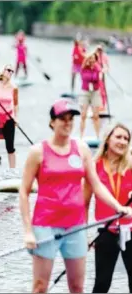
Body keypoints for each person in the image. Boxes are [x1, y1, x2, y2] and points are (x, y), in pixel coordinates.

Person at [19, 99, 132, 293]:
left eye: (71, 119)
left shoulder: (82, 149)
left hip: (76, 225)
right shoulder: (37, 152)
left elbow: (96, 185)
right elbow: (23, 191)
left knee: (78, 286)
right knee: (40, 286)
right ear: (52, 122)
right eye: (63, 119)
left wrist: (118, 206)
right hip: (45, 224)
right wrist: (28, 230)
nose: (68, 123)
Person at [84, 123, 132, 293]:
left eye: (126, 138)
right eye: (118, 137)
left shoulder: (131, 166)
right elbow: (85, 203)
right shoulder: (94, 167)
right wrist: (84, 235)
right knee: (102, 284)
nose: (123, 141)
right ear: (107, 140)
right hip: (106, 231)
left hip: (131, 231)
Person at [79, 53, 102, 139]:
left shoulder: (97, 68)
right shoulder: (84, 68)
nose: (92, 61)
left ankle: (97, 136)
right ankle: (81, 136)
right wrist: (93, 76)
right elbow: (85, 77)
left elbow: (97, 78)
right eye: (90, 59)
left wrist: (95, 72)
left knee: (96, 116)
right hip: (85, 91)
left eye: (93, 59)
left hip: (95, 92)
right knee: (83, 115)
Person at [95, 44, 110, 111]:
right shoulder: (94, 55)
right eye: (98, 49)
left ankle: (103, 106)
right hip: (95, 76)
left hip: (102, 76)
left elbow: (107, 66)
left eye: (100, 49)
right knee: (96, 91)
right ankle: (96, 106)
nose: (99, 51)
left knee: (103, 92)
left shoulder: (105, 56)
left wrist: (104, 70)